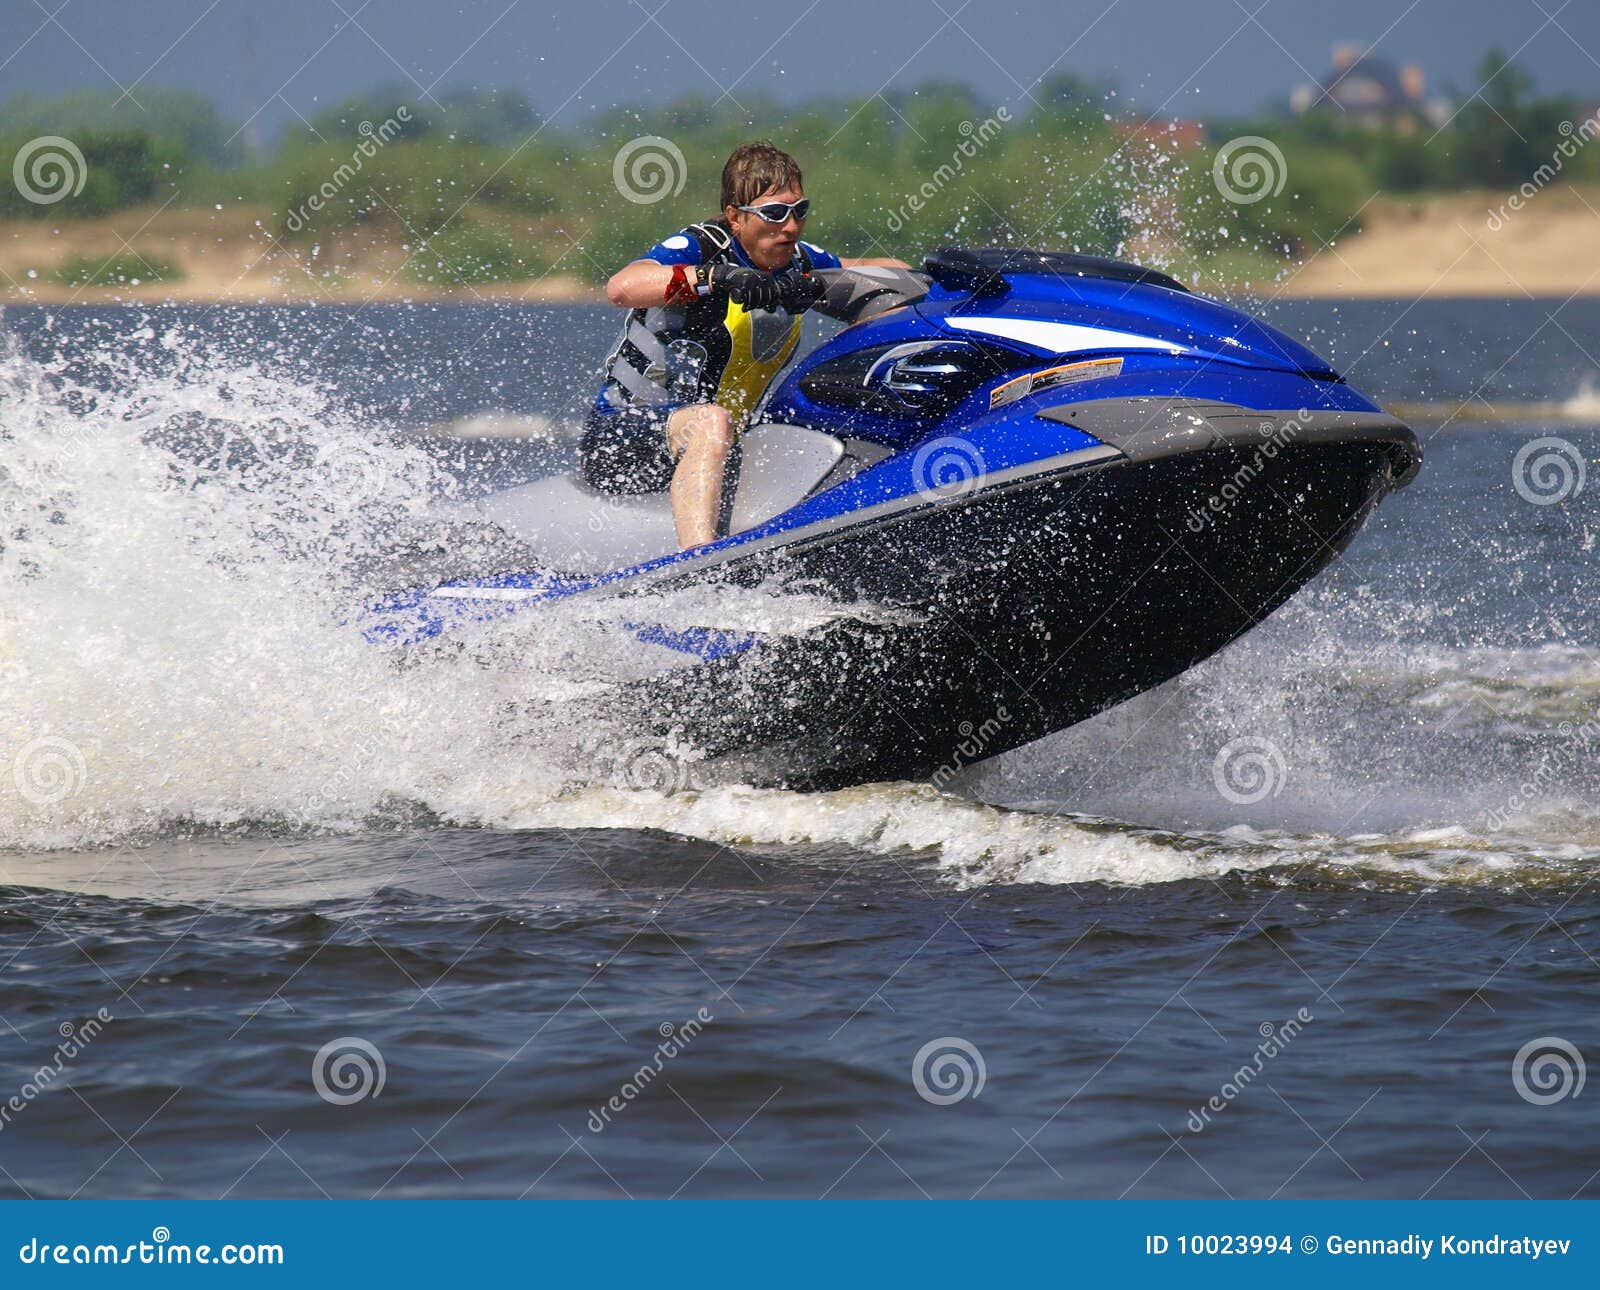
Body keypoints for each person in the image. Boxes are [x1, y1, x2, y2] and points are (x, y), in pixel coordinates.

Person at [582, 141, 908, 549]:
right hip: (624, 440)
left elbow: (885, 275)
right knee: (713, 421)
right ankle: (699, 565)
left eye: (798, 210)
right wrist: (716, 278)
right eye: (774, 213)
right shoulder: (702, 247)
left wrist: (951, 273)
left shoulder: (797, 261)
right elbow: (621, 287)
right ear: (736, 217)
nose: (789, 226)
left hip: (722, 440)